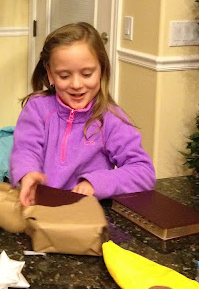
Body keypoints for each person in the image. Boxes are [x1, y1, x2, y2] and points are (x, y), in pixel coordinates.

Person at [10, 22, 156, 207]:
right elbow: (25, 150)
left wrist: (96, 184)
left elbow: (143, 172)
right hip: (39, 210)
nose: (76, 85)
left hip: (88, 214)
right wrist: (27, 173)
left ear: (101, 70)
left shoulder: (110, 118)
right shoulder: (37, 108)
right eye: (64, 76)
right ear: (50, 74)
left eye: (86, 74)